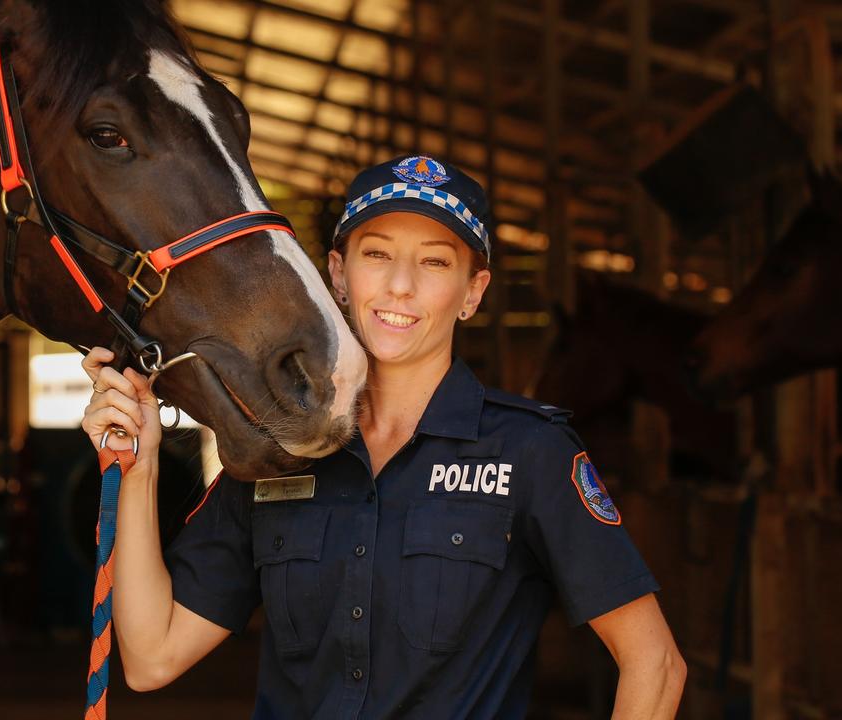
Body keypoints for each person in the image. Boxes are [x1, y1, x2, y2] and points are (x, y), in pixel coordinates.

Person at [80, 154, 686, 718]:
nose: (401, 286)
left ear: (472, 292)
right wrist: (142, 467)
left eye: (435, 261)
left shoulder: (531, 453)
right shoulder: (281, 450)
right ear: (339, 275)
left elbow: (655, 663)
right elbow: (152, 656)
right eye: (377, 255)